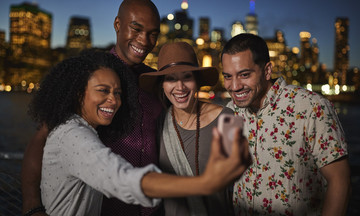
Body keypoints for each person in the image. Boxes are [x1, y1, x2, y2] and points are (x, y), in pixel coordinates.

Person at [26, 50, 250, 216]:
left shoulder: (225, 117)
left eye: (118, 93)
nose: (113, 100)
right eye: (103, 91)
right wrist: (204, 184)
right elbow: (120, 178)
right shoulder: (73, 134)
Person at [21, 0, 163, 216]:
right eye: (136, 29)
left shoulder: (156, 81)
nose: (144, 40)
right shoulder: (88, 77)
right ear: (117, 25)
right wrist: (31, 205)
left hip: (152, 209)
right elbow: (41, 138)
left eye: (153, 33)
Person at [221, 33, 351, 215]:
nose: (234, 86)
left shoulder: (310, 107)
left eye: (244, 75)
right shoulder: (230, 112)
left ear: (267, 71)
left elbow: (340, 180)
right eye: (228, 76)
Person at [139, 42, 237, 215]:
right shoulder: (158, 123)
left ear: (197, 81)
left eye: (187, 77)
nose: (180, 87)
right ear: (162, 84)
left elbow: (237, 186)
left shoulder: (227, 118)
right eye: (170, 78)